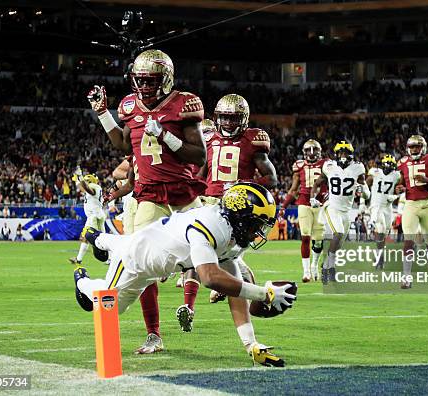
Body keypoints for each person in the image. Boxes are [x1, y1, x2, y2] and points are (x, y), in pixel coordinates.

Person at [74, 182, 294, 367]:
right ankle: (82, 280)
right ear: (240, 217)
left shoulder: (233, 234)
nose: (257, 233)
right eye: (255, 224)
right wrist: (264, 293)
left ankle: (98, 238)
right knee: (107, 308)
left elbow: (234, 288)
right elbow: (210, 277)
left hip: (153, 258)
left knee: (115, 245)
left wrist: (251, 344)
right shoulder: (211, 224)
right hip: (134, 261)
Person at [88, 49, 206, 354]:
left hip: (183, 192)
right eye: (139, 80)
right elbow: (123, 144)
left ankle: (199, 305)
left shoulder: (184, 104)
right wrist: (103, 113)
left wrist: (166, 135)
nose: (143, 86)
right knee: (139, 263)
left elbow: (199, 155)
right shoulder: (129, 105)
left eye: (150, 80)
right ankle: (154, 334)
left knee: (208, 251)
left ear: (165, 80)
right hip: (150, 194)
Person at [193, 95, 278, 328]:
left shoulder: (252, 140)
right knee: (214, 254)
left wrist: (243, 187)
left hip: (237, 207)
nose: (228, 123)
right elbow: (199, 174)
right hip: (210, 202)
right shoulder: (208, 138)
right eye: (224, 118)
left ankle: (256, 295)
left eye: (233, 118)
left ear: (243, 119)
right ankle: (247, 293)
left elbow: (271, 177)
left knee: (227, 256)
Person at [310, 141, 369, 284]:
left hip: (347, 211)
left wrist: (363, 192)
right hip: (332, 207)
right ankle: (327, 267)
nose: (343, 156)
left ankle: (329, 265)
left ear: (351, 154)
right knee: (339, 233)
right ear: (336, 154)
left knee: (339, 243)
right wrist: (312, 197)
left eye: (346, 153)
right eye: (341, 153)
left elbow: (366, 192)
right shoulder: (329, 166)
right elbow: (317, 184)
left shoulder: (358, 168)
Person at [395, 135, 428, 289]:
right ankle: (406, 277)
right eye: (412, 147)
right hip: (410, 205)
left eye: (417, 146)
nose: (414, 149)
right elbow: (400, 184)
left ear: (423, 147)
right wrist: (399, 188)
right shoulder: (403, 162)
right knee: (408, 240)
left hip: (427, 205)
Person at [281, 139, 327, 282]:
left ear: (320, 152)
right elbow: (293, 189)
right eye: (308, 150)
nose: (312, 153)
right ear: (304, 152)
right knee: (305, 236)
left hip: (321, 204)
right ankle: (306, 272)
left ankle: (314, 264)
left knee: (318, 241)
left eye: (314, 150)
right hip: (304, 203)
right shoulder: (299, 166)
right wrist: (283, 206)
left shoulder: (327, 164)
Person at [366, 154, 400, 270]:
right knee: (381, 229)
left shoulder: (396, 175)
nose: (388, 167)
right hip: (376, 205)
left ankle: (379, 254)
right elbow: (365, 185)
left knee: (385, 233)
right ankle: (379, 257)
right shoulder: (375, 172)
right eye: (387, 164)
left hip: (388, 207)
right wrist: (361, 202)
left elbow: (402, 187)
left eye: (391, 165)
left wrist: (395, 195)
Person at [69, 171, 106, 265]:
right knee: (92, 238)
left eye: (86, 181)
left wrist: (80, 177)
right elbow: (82, 188)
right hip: (94, 216)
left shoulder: (94, 187)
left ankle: (110, 259)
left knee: (97, 238)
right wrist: (77, 180)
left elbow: (87, 188)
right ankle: (78, 259)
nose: (85, 182)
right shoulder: (92, 187)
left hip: (95, 217)